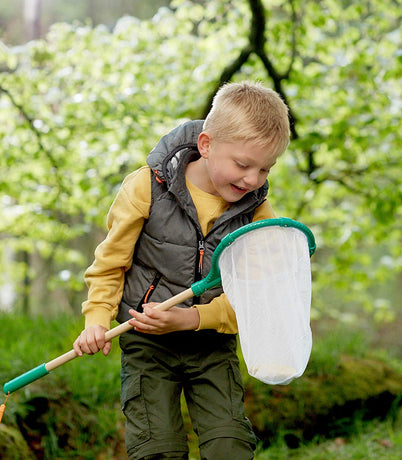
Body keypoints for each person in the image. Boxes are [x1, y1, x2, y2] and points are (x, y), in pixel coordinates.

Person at [73, 81, 291, 459]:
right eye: (242, 165)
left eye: (265, 168)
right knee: (157, 448)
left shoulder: (257, 214)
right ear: (206, 145)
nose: (253, 180)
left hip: (211, 343)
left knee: (230, 446)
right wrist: (96, 319)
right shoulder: (146, 187)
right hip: (146, 342)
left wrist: (191, 319)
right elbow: (110, 264)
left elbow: (257, 302)